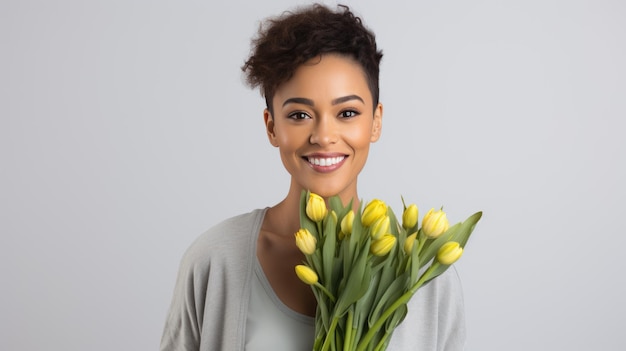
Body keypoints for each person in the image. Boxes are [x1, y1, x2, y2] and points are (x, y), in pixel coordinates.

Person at [160, 4, 465, 350]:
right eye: (300, 114)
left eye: (347, 113)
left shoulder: (423, 273)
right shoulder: (215, 260)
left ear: (375, 122)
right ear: (272, 126)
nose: (323, 135)